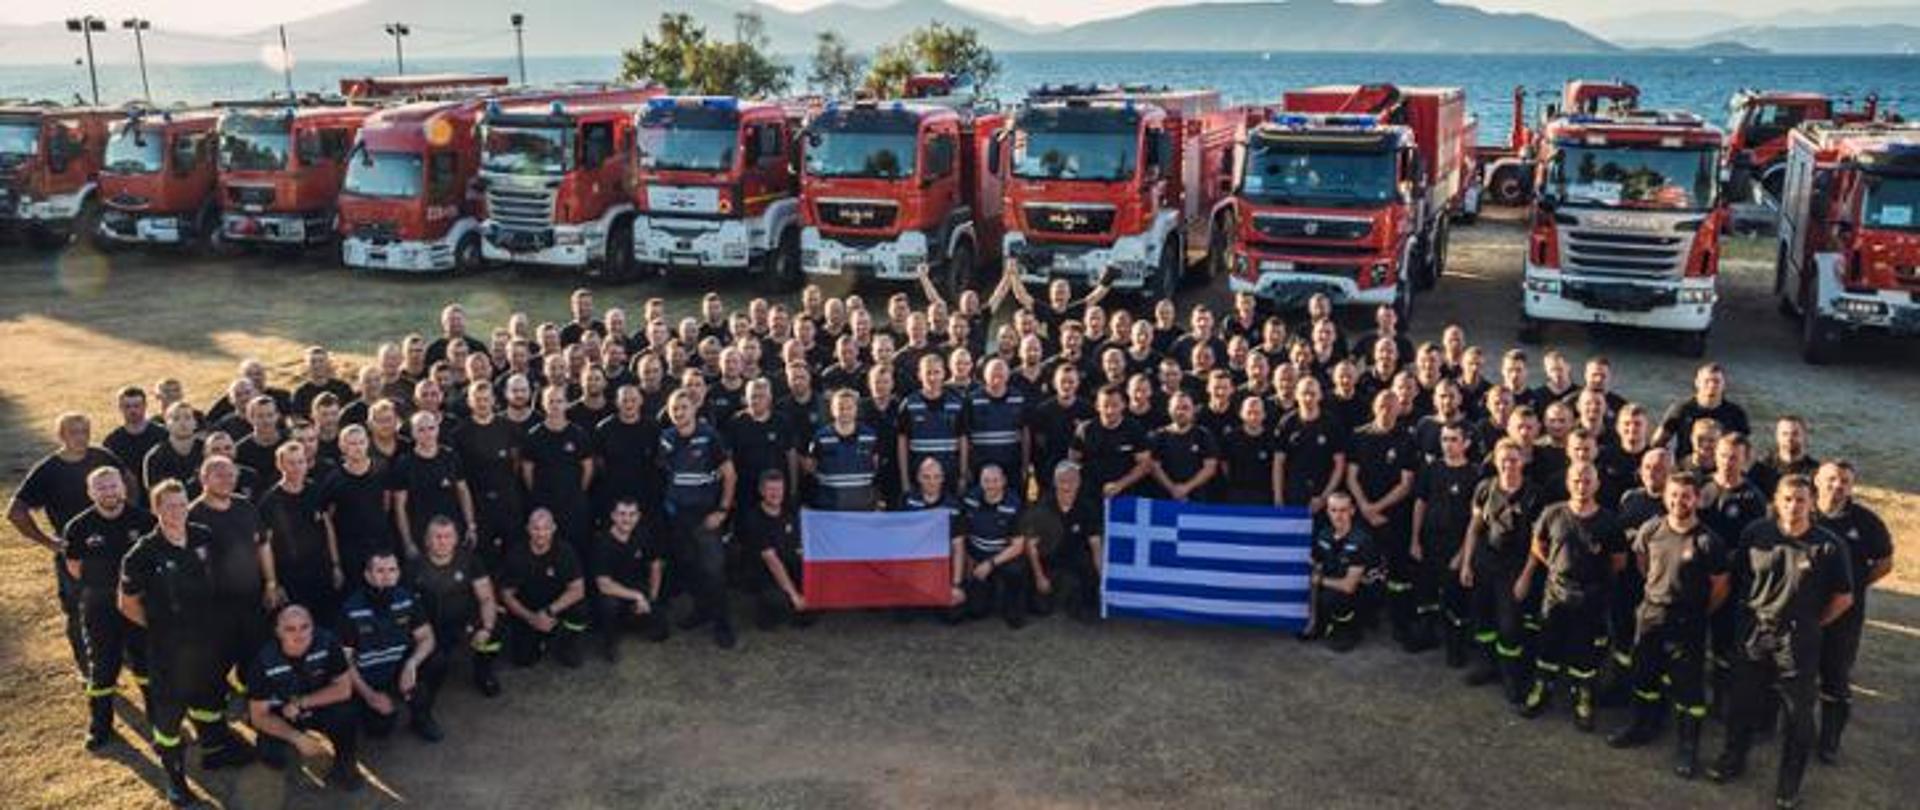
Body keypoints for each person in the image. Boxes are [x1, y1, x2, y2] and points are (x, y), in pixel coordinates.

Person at [1708, 476, 1854, 810]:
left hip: (1797, 639)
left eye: (1801, 500)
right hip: (1755, 630)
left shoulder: (1828, 546)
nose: (1793, 506)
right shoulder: (1756, 533)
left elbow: (1844, 598)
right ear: (1777, 500)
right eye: (1787, 499)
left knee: (1796, 713)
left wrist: (1811, 624)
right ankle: (1733, 757)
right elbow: (1740, 576)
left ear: (1812, 503)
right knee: (1742, 700)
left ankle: (1789, 783)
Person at [119, 480, 254, 806]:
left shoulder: (203, 536)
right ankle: (175, 779)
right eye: (169, 506)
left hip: (207, 642)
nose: (177, 512)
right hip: (169, 649)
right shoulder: (142, 553)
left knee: (210, 700)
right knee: (169, 716)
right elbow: (126, 603)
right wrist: (162, 628)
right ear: (157, 509)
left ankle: (214, 750)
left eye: (181, 504)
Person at [1608, 472, 1728, 779]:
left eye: (1686, 495)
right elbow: (1642, 561)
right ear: (1665, 497)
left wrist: (1698, 611)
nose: (1679, 501)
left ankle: (1688, 747)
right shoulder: (1651, 529)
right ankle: (1640, 726)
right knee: (1643, 673)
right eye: (1673, 495)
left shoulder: (1708, 541)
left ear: (1697, 499)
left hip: (1689, 622)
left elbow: (1720, 586)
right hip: (1651, 613)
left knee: (1689, 688)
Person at [9, 412, 127, 674]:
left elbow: (127, 481)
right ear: (61, 436)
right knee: (79, 612)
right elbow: (15, 511)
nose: (81, 437)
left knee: (120, 601)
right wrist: (48, 541)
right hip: (75, 555)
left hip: (113, 548)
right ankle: (88, 669)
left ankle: (123, 654)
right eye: (74, 432)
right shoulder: (48, 470)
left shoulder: (102, 457)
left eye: (85, 431)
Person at [1516, 463, 1626, 731]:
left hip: (1591, 596)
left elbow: (1619, 562)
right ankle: (1542, 689)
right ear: (1568, 482)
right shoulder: (1552, 513)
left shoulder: (1610, 522)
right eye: (1576, 480)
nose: (1581, 485)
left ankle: (1583, 696)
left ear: (1597, 484)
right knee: (1548, 645)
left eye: (1587, 480)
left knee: (1584, 651)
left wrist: (1594, 582)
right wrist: (1555, 568)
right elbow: (1538, 544)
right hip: (1556, 593)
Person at [63, 466, 155, 750]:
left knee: (146, 663)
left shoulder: (144, 520)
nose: (109, 492)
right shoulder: (78, 527)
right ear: (91, 493)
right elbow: (75, 568)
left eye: (113, 486)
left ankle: (158, 719)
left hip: (138, 604)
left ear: (123, 488)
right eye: (101, 488)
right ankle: (100, 725)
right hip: (100, 605)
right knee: (102, 667)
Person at [1809, 460, 1893, 764]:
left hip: (1844, 615)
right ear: (1816, 480)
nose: (1837, 486)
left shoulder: (1867, 522)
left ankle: (1829, 738)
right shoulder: (1801, 511)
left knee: (1835, 675)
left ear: (1851, 486)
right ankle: (1778, 725)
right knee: (1792, 670)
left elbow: (1884, 563)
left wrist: (1855, 585)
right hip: (1802, 609)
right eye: (1831, 479)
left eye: (1844, 481)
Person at [1461, 439, 1546, 705]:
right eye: (1503, 459)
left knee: (1510, 627)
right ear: (1495, 461)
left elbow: (1538, 541)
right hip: (1485, 564)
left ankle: (1512, 676)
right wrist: (1466, 563)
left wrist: (1526, 576)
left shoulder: (1535, 494)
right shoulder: (1485, 489)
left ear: (1523, 461)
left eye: (1513, 459)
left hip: (1515, 569)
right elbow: (1474, 527)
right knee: (1483, 620)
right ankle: (1487, 666)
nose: (1508, 464)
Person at [244, 604, 361, 791]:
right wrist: (296, 737)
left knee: (346, 713)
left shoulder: (328, 642)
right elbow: (258, 716)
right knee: (272, 754)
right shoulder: (261, 660)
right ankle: (293, 762)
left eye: (305, 626)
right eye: (290, 629)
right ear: (277, 631)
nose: (299, 634)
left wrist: (301, 702)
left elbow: (344, 689)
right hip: (282, 714)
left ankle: (345, 762)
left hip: (315, 705)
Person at [659, 389, 739, 649]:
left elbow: (729, 475)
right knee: (689, 567)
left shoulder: (709, 437)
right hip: (677, 517)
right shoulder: (666, 439)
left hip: (706, 516)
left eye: (684, 407)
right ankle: (702, 610)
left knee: (713, 570)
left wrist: (723, 510)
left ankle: (722, 624)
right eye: (675, 409)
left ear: (694, 409)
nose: (680, 412)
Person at [340, 550, 444, 742]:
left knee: (436, 660)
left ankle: (421, 717)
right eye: (380, 571)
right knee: (380, 729)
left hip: (398, 669)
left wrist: (411, 664)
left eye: (392, 570)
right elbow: (344, 662)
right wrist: (369, 695)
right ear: (367, 575)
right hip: (366, 678)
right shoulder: (351, 609)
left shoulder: (407, 598)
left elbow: (427, 637)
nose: (387, 577)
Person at [1345, 390, 1421, 651]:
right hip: (1363, 514)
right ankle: (1360, 621)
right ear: (1374, 407)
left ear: (1399, 408)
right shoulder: (1359, 435)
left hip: (1395, 516)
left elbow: (1406, 483)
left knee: (1398, 573)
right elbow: (1351, 476)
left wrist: (1377, 507)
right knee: (1362, 569)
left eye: (1391, 406)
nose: (1386, 410)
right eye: (1381, 406)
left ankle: (1400, 625)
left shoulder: (1407, 439)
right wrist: (1365, 508)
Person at [407, 517, 503, 697]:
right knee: (435, 664)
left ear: (456, 539)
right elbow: (405, 608)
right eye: (437, 537)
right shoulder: (413, 567)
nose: (442, 541)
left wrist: (486, 628)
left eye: (447, 536)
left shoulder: (470, 560)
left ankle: (484, 672)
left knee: (496, 626)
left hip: (462, 623)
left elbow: (487, 598)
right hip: (430, 629)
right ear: (427, 540)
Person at [1410, 423, 1479, 667]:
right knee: (1426, 591)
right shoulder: (1431, 469)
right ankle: (1426, 635)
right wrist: (1415, 539)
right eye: (1445, 439)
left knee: (1455, 598)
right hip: (1429, 542)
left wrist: (1462, 556)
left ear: (1466, 443)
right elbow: (1420, 503)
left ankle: (1455, 647)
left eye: (1453, 439)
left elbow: (1475, 520)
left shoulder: (1474, 474)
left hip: (1456, 545)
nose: (1448, 445)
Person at [259, 443, 341, 628]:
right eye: (291, 463)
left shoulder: (315, 491)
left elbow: (328, 528)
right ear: (280, 465)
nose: (297, 467)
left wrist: (336, 565)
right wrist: (272, 582)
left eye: (300, 462)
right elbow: (265, 546)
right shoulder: (269, 501)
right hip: (290, 578)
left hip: (321, 573)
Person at [499, 509, 589, 668]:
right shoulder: (516, 554)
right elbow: (506, 594)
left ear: (554, 528)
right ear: (528, 529)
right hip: (528, 609)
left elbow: (578, 589)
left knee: (581, 608)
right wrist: (531, 618)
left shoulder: (565, 551)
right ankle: (540, 638)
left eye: (546, 528)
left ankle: (566, 642)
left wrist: (549, 611)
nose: (541, 534)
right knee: (524, 660)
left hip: (556, 606)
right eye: (536, 528)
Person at [1018, 460, 1103, 620]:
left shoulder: (1087, 507)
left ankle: (1085, 602)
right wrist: (1039, 577)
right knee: (1041, 608)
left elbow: (1096, 545)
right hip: (1049, 557)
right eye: (1063, 481)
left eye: (1072, 481)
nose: (1067, 486)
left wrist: (1101, 576)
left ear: (1079, 483)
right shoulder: (1042, 507)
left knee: (1086, 611)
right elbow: (1031, 546)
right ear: (1055, 483)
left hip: (1076, 556)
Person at [389, 411, 477, 558]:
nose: (427, 434)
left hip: (452, 531)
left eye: (431, 428)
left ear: (438, 429)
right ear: (413, 433)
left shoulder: (450, 457)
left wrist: (471, 525)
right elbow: (399, 507)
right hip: (421, 535)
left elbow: (463, 492)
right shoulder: (404, 464)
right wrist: (407, 541)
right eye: (421, 430)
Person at [952, 464, 1029, 629]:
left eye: (995, 481)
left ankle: (1012, 605)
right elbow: (960, 535)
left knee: (1015, 570)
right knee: (976, 612)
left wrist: (991, 564)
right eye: (986, 481)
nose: (991, 485)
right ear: (980, 482)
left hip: (1003, 557)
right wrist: (967, 559)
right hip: (976, 557)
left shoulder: (1014, 504)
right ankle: (988, 590)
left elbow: (1018, 546)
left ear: (1003, 482)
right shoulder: (969, 499)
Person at [522, 385, 595, 552]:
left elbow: (588, 468)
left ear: (566, 404)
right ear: (543, 404)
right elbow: (527, 471)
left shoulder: (578, 434)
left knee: (576, 546)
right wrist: (539, 493)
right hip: (544, 501)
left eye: (559, 401)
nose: (555, 405)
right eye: (551, 401)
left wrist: (577, 491)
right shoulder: (534, 436)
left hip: (573, 503)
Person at [592, 498, 668, 659]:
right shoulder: (602, 542)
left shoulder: (644, 534)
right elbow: (603, 585)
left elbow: (655, 566)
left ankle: (631, 618)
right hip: (613, 591)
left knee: (660, 633)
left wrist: (651, 599)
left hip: (638, 587)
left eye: (632, 514)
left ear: (638, 516)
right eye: (622, 514)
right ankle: (610, 642)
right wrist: (637, 597)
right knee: (609, 605)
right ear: (613, 516)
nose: (627, 519)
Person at [1304, 492, 1380, 652]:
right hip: (1336, 580)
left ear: (1352, 511)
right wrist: (1312, 620)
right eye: (1333, 510)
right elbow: (1315, 566)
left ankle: (1349, 629)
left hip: (1363, 590)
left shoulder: (1361, 539)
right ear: (1327, 511)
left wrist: (1319, 580)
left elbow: (1349, 586)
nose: (1338, 516)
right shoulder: (1324, 534)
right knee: (1310, 586)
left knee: (1332, 597)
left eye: (1343, 510)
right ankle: (1320, 624)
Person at [739, 470, 812, 631]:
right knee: (779, 601)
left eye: (779, 489)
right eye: (770, 489)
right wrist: (794, 595)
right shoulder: (754, 519)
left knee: (814, 593)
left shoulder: (790, 510)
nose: (775, 494)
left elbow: (801, 542)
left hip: (790, 564)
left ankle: (798, 609)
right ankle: (767, 612)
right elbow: (772, 562)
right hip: (765, 572)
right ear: (761, 491)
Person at [898, 354, 966, 497]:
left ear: (944, 374)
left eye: (936, 372)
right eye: (928, 373)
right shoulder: (909, 404)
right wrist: (904, 479)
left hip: (949, 473)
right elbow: (902, 443)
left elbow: (963, 440)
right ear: (919, 375)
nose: (933, 377)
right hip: (918, 475)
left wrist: (963, 475)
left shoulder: (957, 403)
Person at [1654, 364, 1749, 465]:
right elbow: (1658, 442)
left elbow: (1746, 449)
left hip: (1722, 469)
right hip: (1687, 468)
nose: (1712, 385)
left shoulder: (1735, 413)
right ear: (1697, 383)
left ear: (1724, 385)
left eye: (1717, 381)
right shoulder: (1682, 409)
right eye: (1707, 381)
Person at [1073, 384, 1153, 501]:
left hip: (1125, 494)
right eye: (1105, 405)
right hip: (1090, 494)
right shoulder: (1085, 429)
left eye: (1115, 405)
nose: (1110, 410)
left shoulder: (1134, 429)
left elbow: (1144, 465)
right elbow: (1073, 461)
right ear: (1097, 406)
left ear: (1123, 405)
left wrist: (1120, 484)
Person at [807, 389, 882, 511]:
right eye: (840, 408)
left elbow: (876, 466)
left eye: (849, 407)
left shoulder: (870, 436)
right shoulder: (821, 437)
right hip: (830, 508)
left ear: (856, 409)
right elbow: (812, 469)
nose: (845, 412)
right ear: (832, 410)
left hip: (863, 509)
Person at [1148, 391, 1219, 502]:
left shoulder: (1203, 435)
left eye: (1185, 408)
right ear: (1169, 410)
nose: (1181, 412)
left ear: (1193, 410)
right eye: (1177, 408)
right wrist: (1172, 488)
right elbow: (1154, 467)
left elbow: (1210, 467)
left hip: (1196, 498)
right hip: (1163, 498)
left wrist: (1186, 488)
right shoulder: (1158, 436)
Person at [105, 386, 167, 497]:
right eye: (127, 406)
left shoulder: (163, 434)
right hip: (129, 500)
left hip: (160, 496)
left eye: (136, 406)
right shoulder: (112, 441)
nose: (132, 410)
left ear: (145, 406)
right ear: (120, 408)